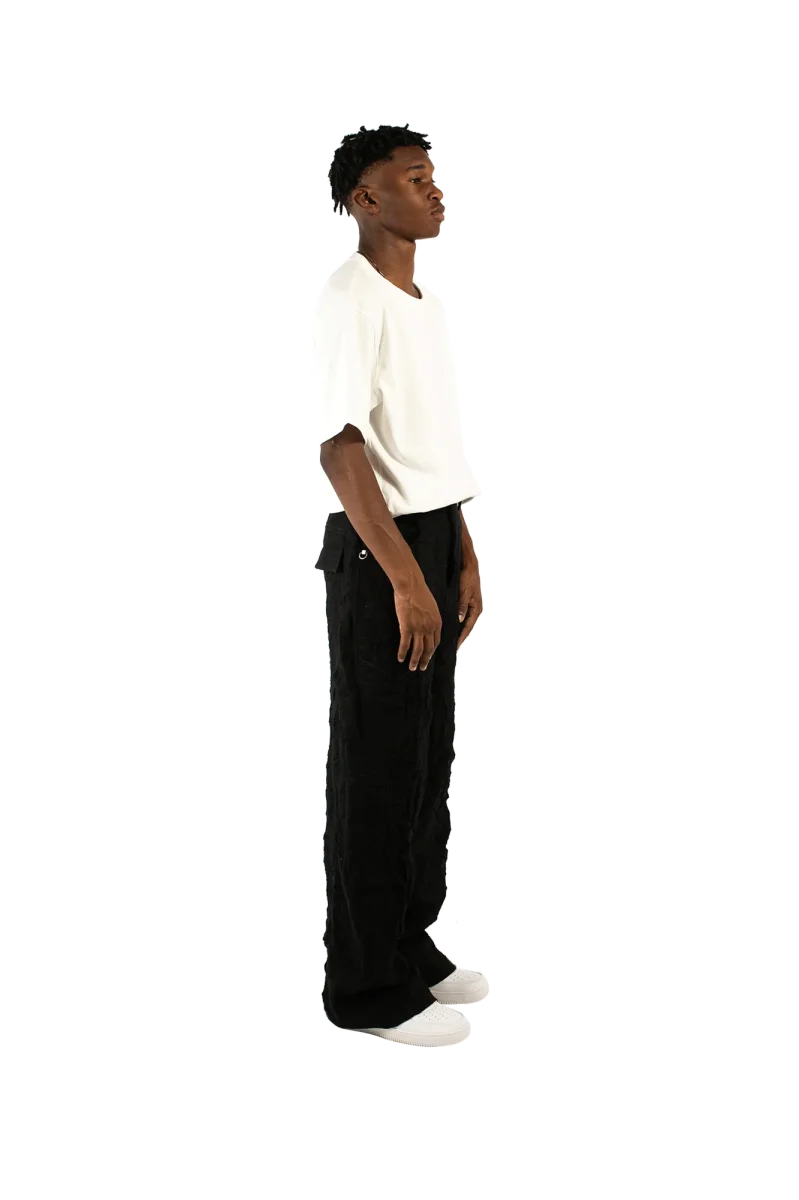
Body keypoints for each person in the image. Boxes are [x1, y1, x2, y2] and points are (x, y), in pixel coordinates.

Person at [312, 125, 486, 1047]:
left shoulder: (419, 300)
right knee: (376, 771)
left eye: (434, 176)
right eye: (413, 180)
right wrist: (406, 579)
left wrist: (460, 552)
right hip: (378, 550)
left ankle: (407, 943)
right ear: (365, 200)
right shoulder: (351, 299)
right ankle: (366, 991)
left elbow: (422, 449)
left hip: (426, 537)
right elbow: (343, 449)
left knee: (423, 766)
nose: (433, 191)